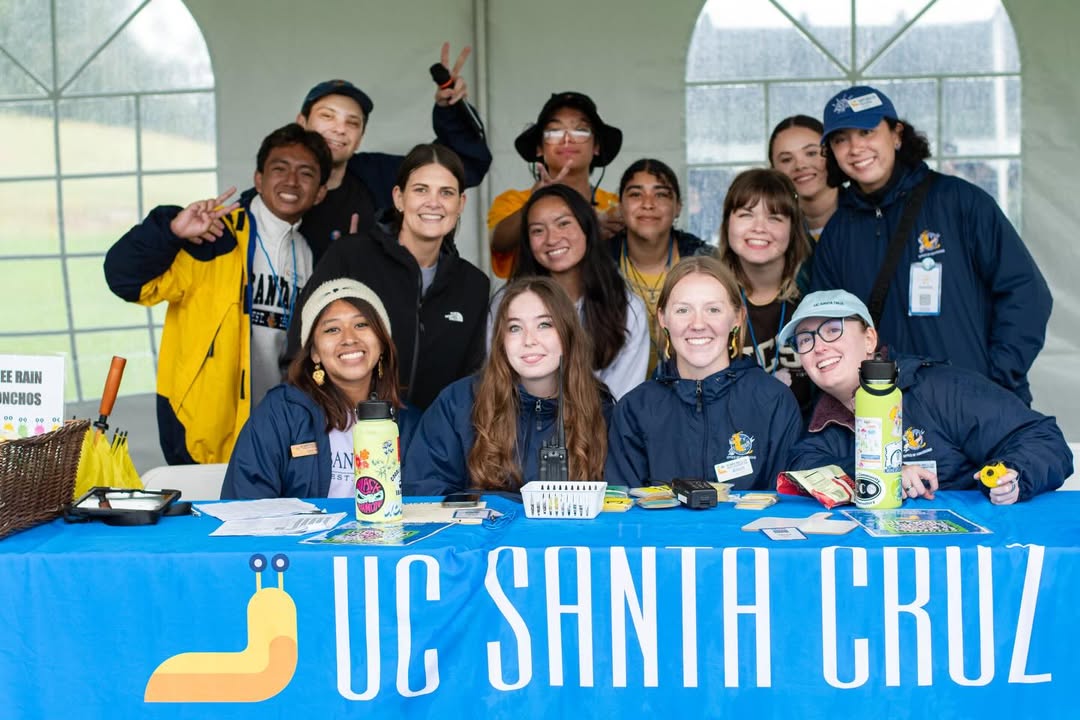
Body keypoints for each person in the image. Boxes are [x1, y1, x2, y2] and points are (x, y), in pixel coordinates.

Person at [104, 123, 331, 465]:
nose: (290, 181)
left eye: (305, 173)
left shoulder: (310, 252)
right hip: (205, 429)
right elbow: (124, 279)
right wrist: (169, 232)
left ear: (320, 193)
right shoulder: (214, 236)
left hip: (278, 429)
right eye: (279, 169)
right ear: (258, 178)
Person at [811, 85, 1051, 406]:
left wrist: (995, 379)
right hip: (890, 412)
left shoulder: (960, 202)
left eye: (867, 131)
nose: (855, 148)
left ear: (896, 134)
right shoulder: (837, 233)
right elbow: (825, 327)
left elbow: (1025, 293)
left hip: (976, 404)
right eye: (841, 139)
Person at [782, 290, 1072, 503]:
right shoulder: (817, 423)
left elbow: (1042, 436)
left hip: (969, 557)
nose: (818, 347)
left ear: (869, 339)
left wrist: (1014, 475)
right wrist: (886, 474)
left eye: (832, 330)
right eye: (806, 340)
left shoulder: (938, 389)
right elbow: (805, 467)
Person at [288, 143, 490, 411]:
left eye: (446, 193)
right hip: (347, 434)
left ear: (461, 203)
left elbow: (471, 383)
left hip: (433, 445)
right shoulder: (350, 257)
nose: (434, 202)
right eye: (421, 190)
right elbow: (300, 346)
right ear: (398, 198)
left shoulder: (473, 285)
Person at [606, 256, 803, 489]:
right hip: (663, 528)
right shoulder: (635, 409)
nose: (698, 323)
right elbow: (623, 512)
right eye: (682, 310)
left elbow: (785, 508)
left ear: (737, 318)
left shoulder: (773, 401)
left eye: (713, 309)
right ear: (663, 318)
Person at [404, 277, 612, 495]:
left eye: (544, 325)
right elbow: (424, 494)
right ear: (500, 341)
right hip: (480, 530)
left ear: (568, 333)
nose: (529, 340)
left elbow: (618, 504)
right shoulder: (458, 403)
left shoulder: (601, 408)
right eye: (514, 328)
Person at [294, 43, 492, 260]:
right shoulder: (275, 183)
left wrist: (451, 110)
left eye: (352, 122)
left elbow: (462, 164)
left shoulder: (376, 174)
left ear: (360, 137)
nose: (339, 129)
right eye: (327, 116)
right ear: (301, 123)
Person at [222, 279, 417, 499]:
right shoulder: (280, 414)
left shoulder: (408, 423)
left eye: (361, 324)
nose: (349, 339)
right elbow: (244, 507)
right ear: (314, 352)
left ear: (381, 342)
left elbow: (424, 509)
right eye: (332, 329)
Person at [490, 183, 649, 399]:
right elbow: (498, 387)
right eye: (538, 230)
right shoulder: (505, 305)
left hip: (601, 428)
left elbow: (621, 400)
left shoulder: (628, 308)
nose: (552, 239)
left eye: (563, 224)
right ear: (527, 241)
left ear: (587, 228)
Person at [487, 91, 623, 279]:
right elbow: (499, 243)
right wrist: (535, 203)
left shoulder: (614, 205)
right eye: (554, 131)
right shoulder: (514, 201)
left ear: (596, 147)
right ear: (539, 148)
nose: (567, 139)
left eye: (581, 130)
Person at [716, 168, 813, 416]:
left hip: (806, 442)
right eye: (746, 215)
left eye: (775, 218)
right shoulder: (708, 300)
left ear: (793, 229)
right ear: (728, 223)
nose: (759, 228)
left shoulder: (814, 298)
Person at [608, 158, 710, 376]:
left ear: (678, 207)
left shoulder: (706, 261)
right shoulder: (598, 264)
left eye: (661, 194)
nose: (648, 203)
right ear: (620, 205)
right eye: (636, 194)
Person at [768, 115, 837, 292]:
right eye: (786, 159)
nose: (800, 165)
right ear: (773, 170)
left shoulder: (869, 217)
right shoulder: (770, 233)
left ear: (833, 154)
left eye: (811, 153)